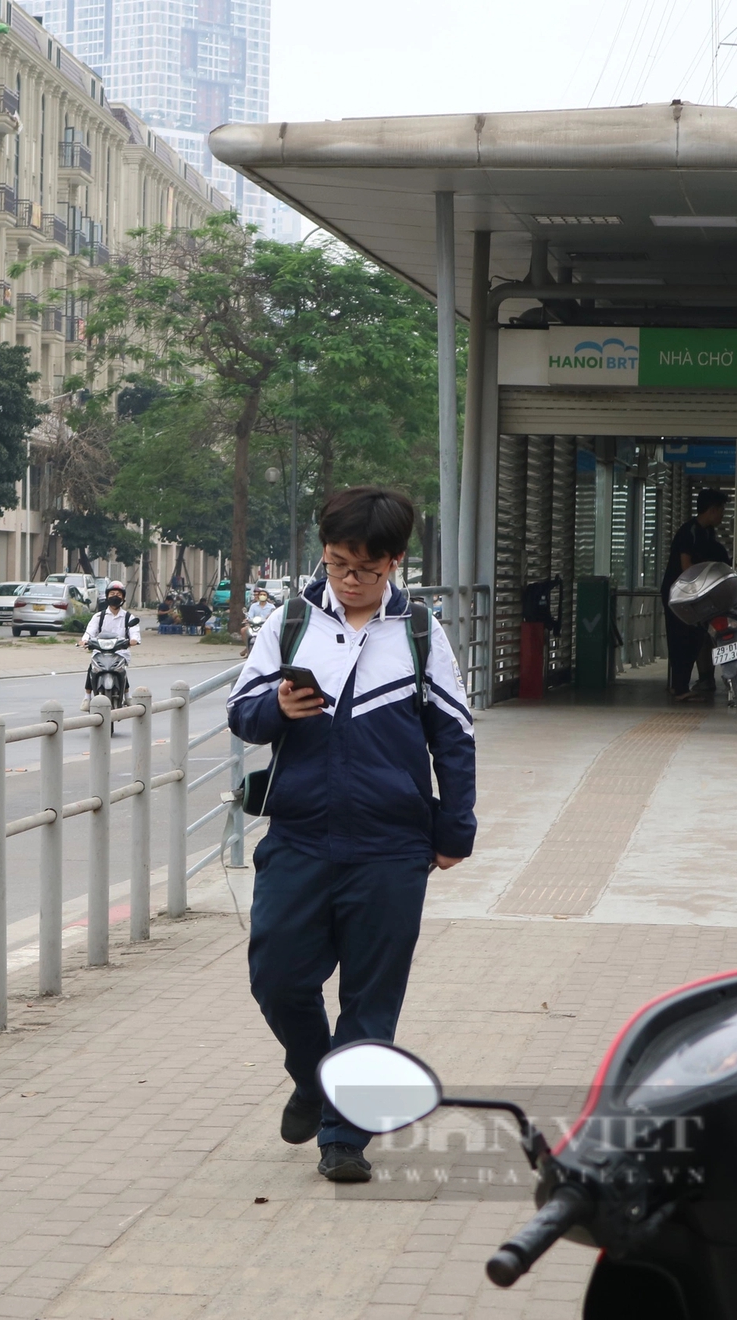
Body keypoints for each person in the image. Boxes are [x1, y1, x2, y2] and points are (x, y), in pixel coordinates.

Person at [228, 486, 478, 1185]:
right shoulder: (291, 623)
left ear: (396, 561)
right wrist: (277, 704)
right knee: (276, 977)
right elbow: (242, 715)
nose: (348, 578)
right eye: (337, 563)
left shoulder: (422, 633)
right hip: (300, 837)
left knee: (371, 998)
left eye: (365, 568)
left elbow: (454, 739)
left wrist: (455, 828)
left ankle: (346, 1135)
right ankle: (314, 1079)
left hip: (392, 847)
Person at [661, 489, 731, 703]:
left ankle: (679, 685)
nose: (722, 515)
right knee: (681, 639)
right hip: (678, 595)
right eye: (721, 510)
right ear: (712, 510)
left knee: (695, 638)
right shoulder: (688, 532)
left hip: (693, 595)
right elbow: (686, 566)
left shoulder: (708, 532)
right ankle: (679, 688)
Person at [80, 579, 141, 706]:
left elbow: (134, 633)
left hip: (121, 652)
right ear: (107, 596)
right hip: (100, 652)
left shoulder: (129, 617)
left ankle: (127, 695)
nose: (115, 597)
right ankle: (87, 697)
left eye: (118, 594)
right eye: (112, 594)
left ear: (123, 598)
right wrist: (84, 640)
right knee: (92, 667)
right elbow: (90, 631)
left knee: (120, 669)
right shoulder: (98, 616)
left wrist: (133, 640)